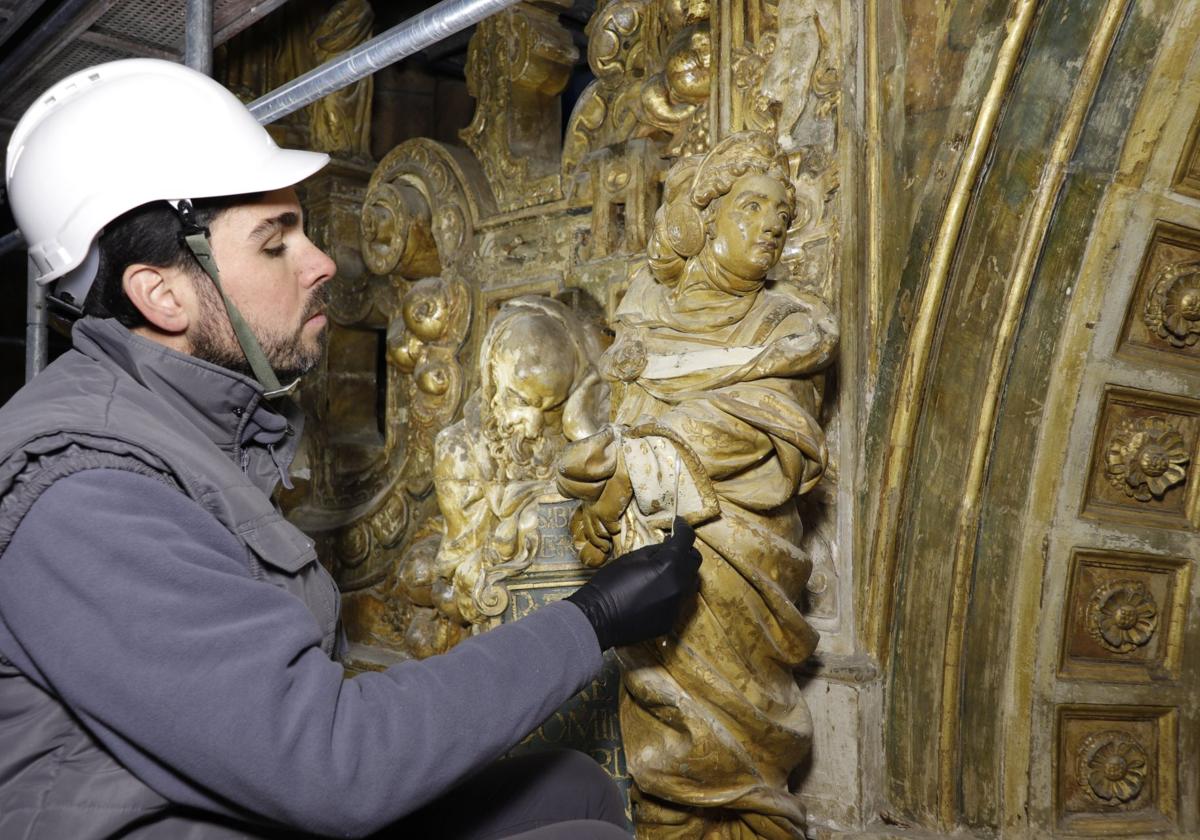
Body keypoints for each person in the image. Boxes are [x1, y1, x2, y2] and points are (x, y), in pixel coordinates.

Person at [0, 58, 701, 840]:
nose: (323, 261)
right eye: (275, 243)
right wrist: (592, 619)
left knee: (568, 789)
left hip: (236, 799)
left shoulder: (178, 430)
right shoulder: (82, 493)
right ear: (160, 294)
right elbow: (330, 758)